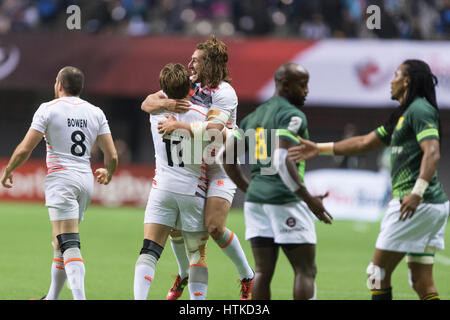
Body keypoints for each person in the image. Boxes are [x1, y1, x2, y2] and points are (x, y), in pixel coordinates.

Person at [287, 59, 449, 300]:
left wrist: (417, 192)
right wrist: (318, 149)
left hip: (414, 203)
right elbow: (363, 142)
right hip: (429, 206)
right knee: (421, 281)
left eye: (396, 74)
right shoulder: (403, 115)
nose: (391, 80)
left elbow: (432, 152)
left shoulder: (420, 110)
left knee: (376, 272)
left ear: (407, 81)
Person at [142, 35, 254, 300]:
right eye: (191, 59)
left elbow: (214, 131)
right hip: (195, 164)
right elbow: (147, 103)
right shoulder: (189, 85)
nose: (190, 64)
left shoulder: (225, 93)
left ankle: (247, 276)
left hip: (220, 166)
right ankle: (183, 275)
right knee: (174, 225)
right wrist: (168, 103)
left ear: (211, 64)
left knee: (214, 227)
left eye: (196, 60)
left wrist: (178, 125)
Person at [0, 66, 118, 300]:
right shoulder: (96, 112)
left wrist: (9, 169)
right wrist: (109, 172)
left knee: (69, 242)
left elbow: (26, 148)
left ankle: (79, 298)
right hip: (85, 180)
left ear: (60, 85)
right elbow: (112, 155)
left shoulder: (48, 109)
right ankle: (51, 297)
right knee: (59, 241)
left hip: (62, 178)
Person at [222, 62, 333, 300]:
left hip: (256, 202)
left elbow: (226, 157)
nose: (306, 90)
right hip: (285, 199)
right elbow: (282, 159)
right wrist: (308, 198)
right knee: (305, 270)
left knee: (262, 271)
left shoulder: (252, 117)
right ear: (284, 84)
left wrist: (250, 189)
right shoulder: (292, 115)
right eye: (301, 84)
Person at [133, 63, 213, 300]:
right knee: (197, 257)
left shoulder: (155, 111)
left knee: (149, 249)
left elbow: (147, 101)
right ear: (189, 86)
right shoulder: (201, 115)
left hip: (163, 188)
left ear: (163, 88)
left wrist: (165, 102)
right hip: (193, 190)